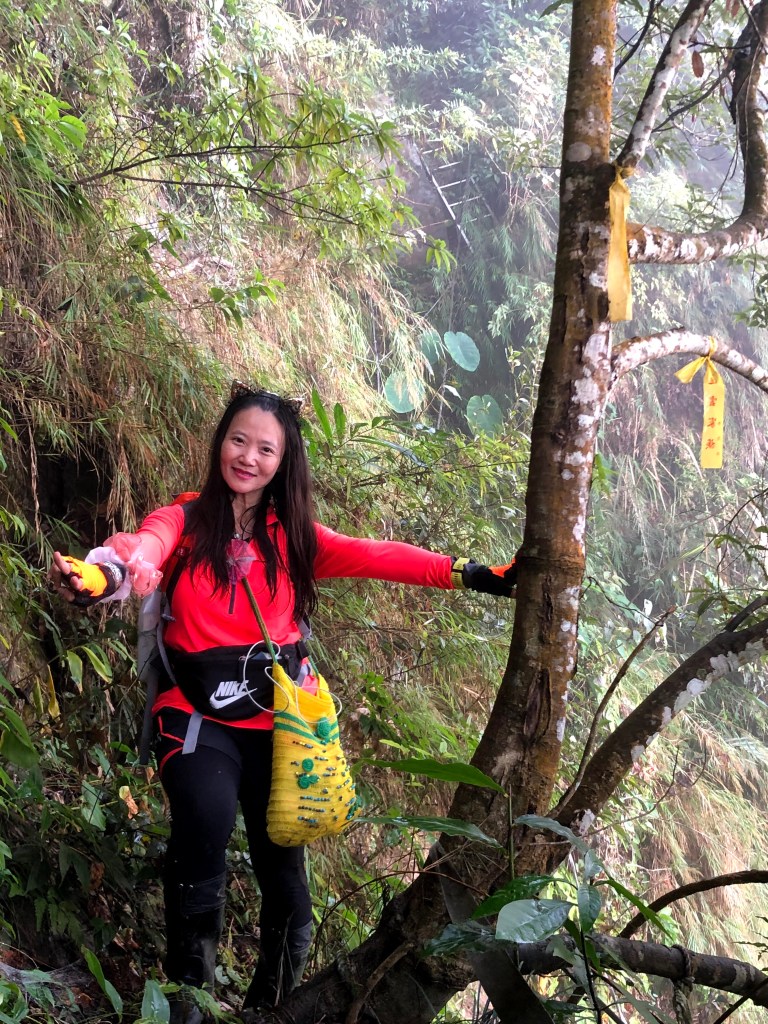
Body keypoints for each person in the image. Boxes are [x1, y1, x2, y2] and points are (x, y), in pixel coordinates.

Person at [49, 382, 517, 1024]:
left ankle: (268, 1010)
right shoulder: (185, 521)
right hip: (196, 716)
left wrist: (475, 574)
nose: (248, 456)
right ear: (221, 443)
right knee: (204, 826)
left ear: (283, 460)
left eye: (264, 448)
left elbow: (381, 557)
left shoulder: (293, 538)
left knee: (289, 885)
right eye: (238, 440)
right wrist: (98, 576)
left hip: (280, 727)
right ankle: (188, 1003)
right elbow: (140, 552)